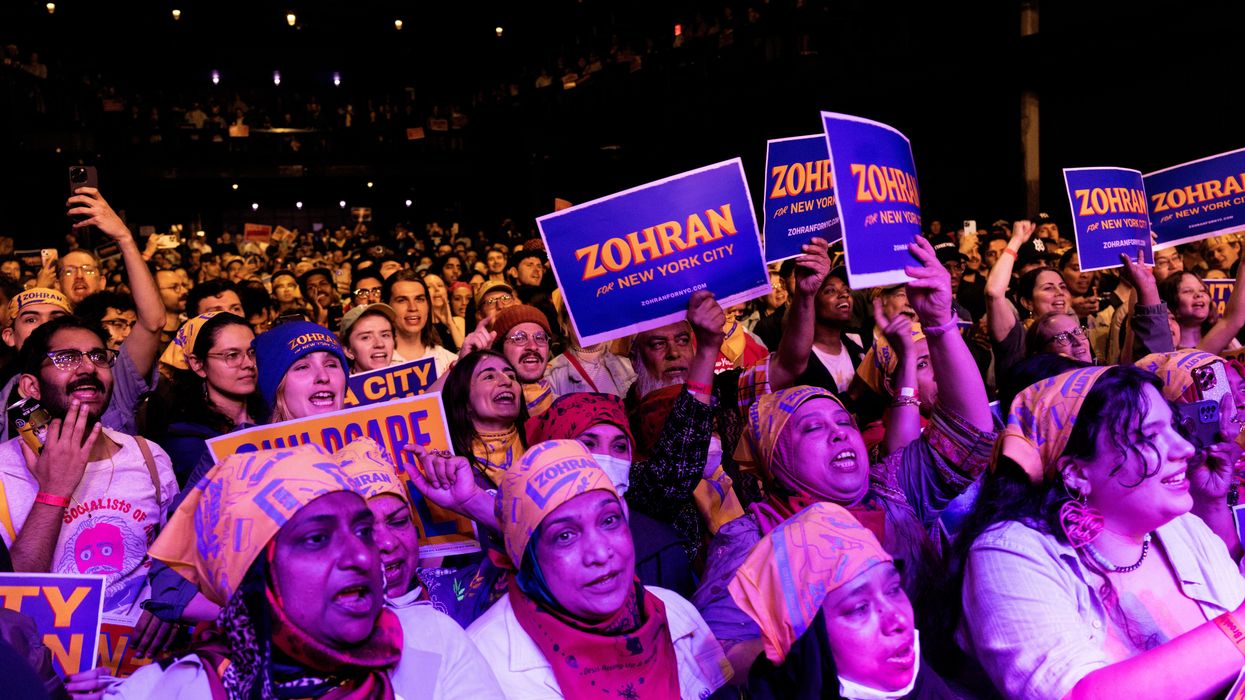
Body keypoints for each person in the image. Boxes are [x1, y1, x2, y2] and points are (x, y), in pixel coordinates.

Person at [694, 235, 996, 680]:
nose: (839, 435)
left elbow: (970, 434)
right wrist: (828, 656)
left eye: (843, 423)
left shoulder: (891, 490)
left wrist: (939, 324)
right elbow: (717, 653)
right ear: (773, 458)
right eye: (813, 428)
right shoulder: (751, 538)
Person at [118, 442, 504, 699]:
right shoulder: (177, 689)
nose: (362, 555)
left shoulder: (429, 640)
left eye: (362, 531)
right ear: (254, 569)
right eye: (318, 539)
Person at [957, 365, 1245, 699]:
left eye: (1173, 428)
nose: (1185, 448)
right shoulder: (1007, 555)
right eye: (1148, 437)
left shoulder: (1182, 527)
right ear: (1077, 472)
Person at [466, 440, 730, 699]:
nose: (600, 553)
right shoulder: (481, 661)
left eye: (609, 520)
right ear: (529, 557)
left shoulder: (675, 612)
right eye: (565, 536)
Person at [0, 316, 178, 640]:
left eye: (98, 356)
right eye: (67, 358)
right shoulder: (2, 472)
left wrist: (171, 603)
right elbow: (13, 599)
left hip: (136, 674)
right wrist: (54, 491)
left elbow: (179, 561)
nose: (88, 368)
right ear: (31, 386)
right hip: (46, 678)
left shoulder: (149, 457)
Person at [729, 502, 955, 699]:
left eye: (894, 589)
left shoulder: (928, 688)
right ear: (810, 641)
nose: (898, 620)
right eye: (860, 608)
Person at [156, 312, 263, 486]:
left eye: (252, 353)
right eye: (232, 355)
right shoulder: (187, 440)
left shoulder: (273, 415)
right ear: (197, 364)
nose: (249, 364)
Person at [382, 270, 456, 375]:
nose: (413, 307)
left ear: (428, 305)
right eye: (402, 300)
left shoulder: (449, 361)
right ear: (387, 306)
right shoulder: (375, 363)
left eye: (419, 299)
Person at [340, 303, 400, 373]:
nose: (380, 344)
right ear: (348, 351)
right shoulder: (342, 383)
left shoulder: (411, 378)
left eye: (385, 335)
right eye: (366, 337)